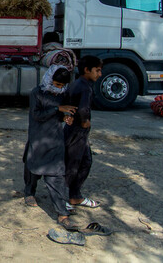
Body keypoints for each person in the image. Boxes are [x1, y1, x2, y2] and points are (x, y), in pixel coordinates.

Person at [23, 65, 79, 230]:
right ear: (49, 79)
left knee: (56, 175)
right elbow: (37, 115)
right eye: (56, 84)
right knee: (33, 168)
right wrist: (57, 109)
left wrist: (66, 118)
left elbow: (62, 115)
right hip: (38, 136)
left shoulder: (63, 95)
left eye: (61, 86)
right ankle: (29, 192)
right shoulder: (37, 93)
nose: (58, 88)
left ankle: (62, 213)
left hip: (55, 139)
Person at [64, 55, 103, 210]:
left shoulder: (77, 84)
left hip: (76, 132)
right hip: (77, 132)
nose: (99, 74)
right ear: (87, 70)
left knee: (84, 162)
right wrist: (85, 120)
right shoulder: (85, 87)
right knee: (73, 165)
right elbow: (83, 108)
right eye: (97, 70)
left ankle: (75, 196)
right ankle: (63, 198)